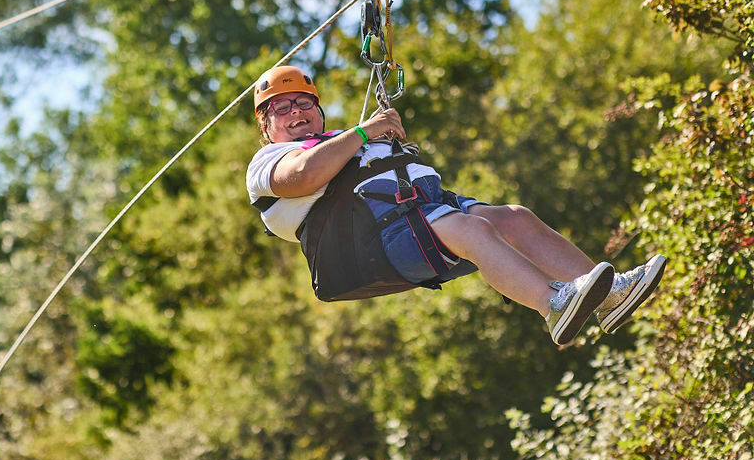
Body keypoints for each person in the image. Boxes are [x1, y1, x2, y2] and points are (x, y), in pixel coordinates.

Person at [245, 65, 666, 345]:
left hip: (425, 211)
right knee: (473, 231)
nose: (296, 111)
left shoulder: (340, 140)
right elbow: (302, 177)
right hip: (381, 240)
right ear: (266, 127)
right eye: (281, 108)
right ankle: (552, 305)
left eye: (304, 103)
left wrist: (373, 135)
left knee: (514, 218)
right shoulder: (267, 162)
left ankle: (609, 295)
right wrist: (364, 130)